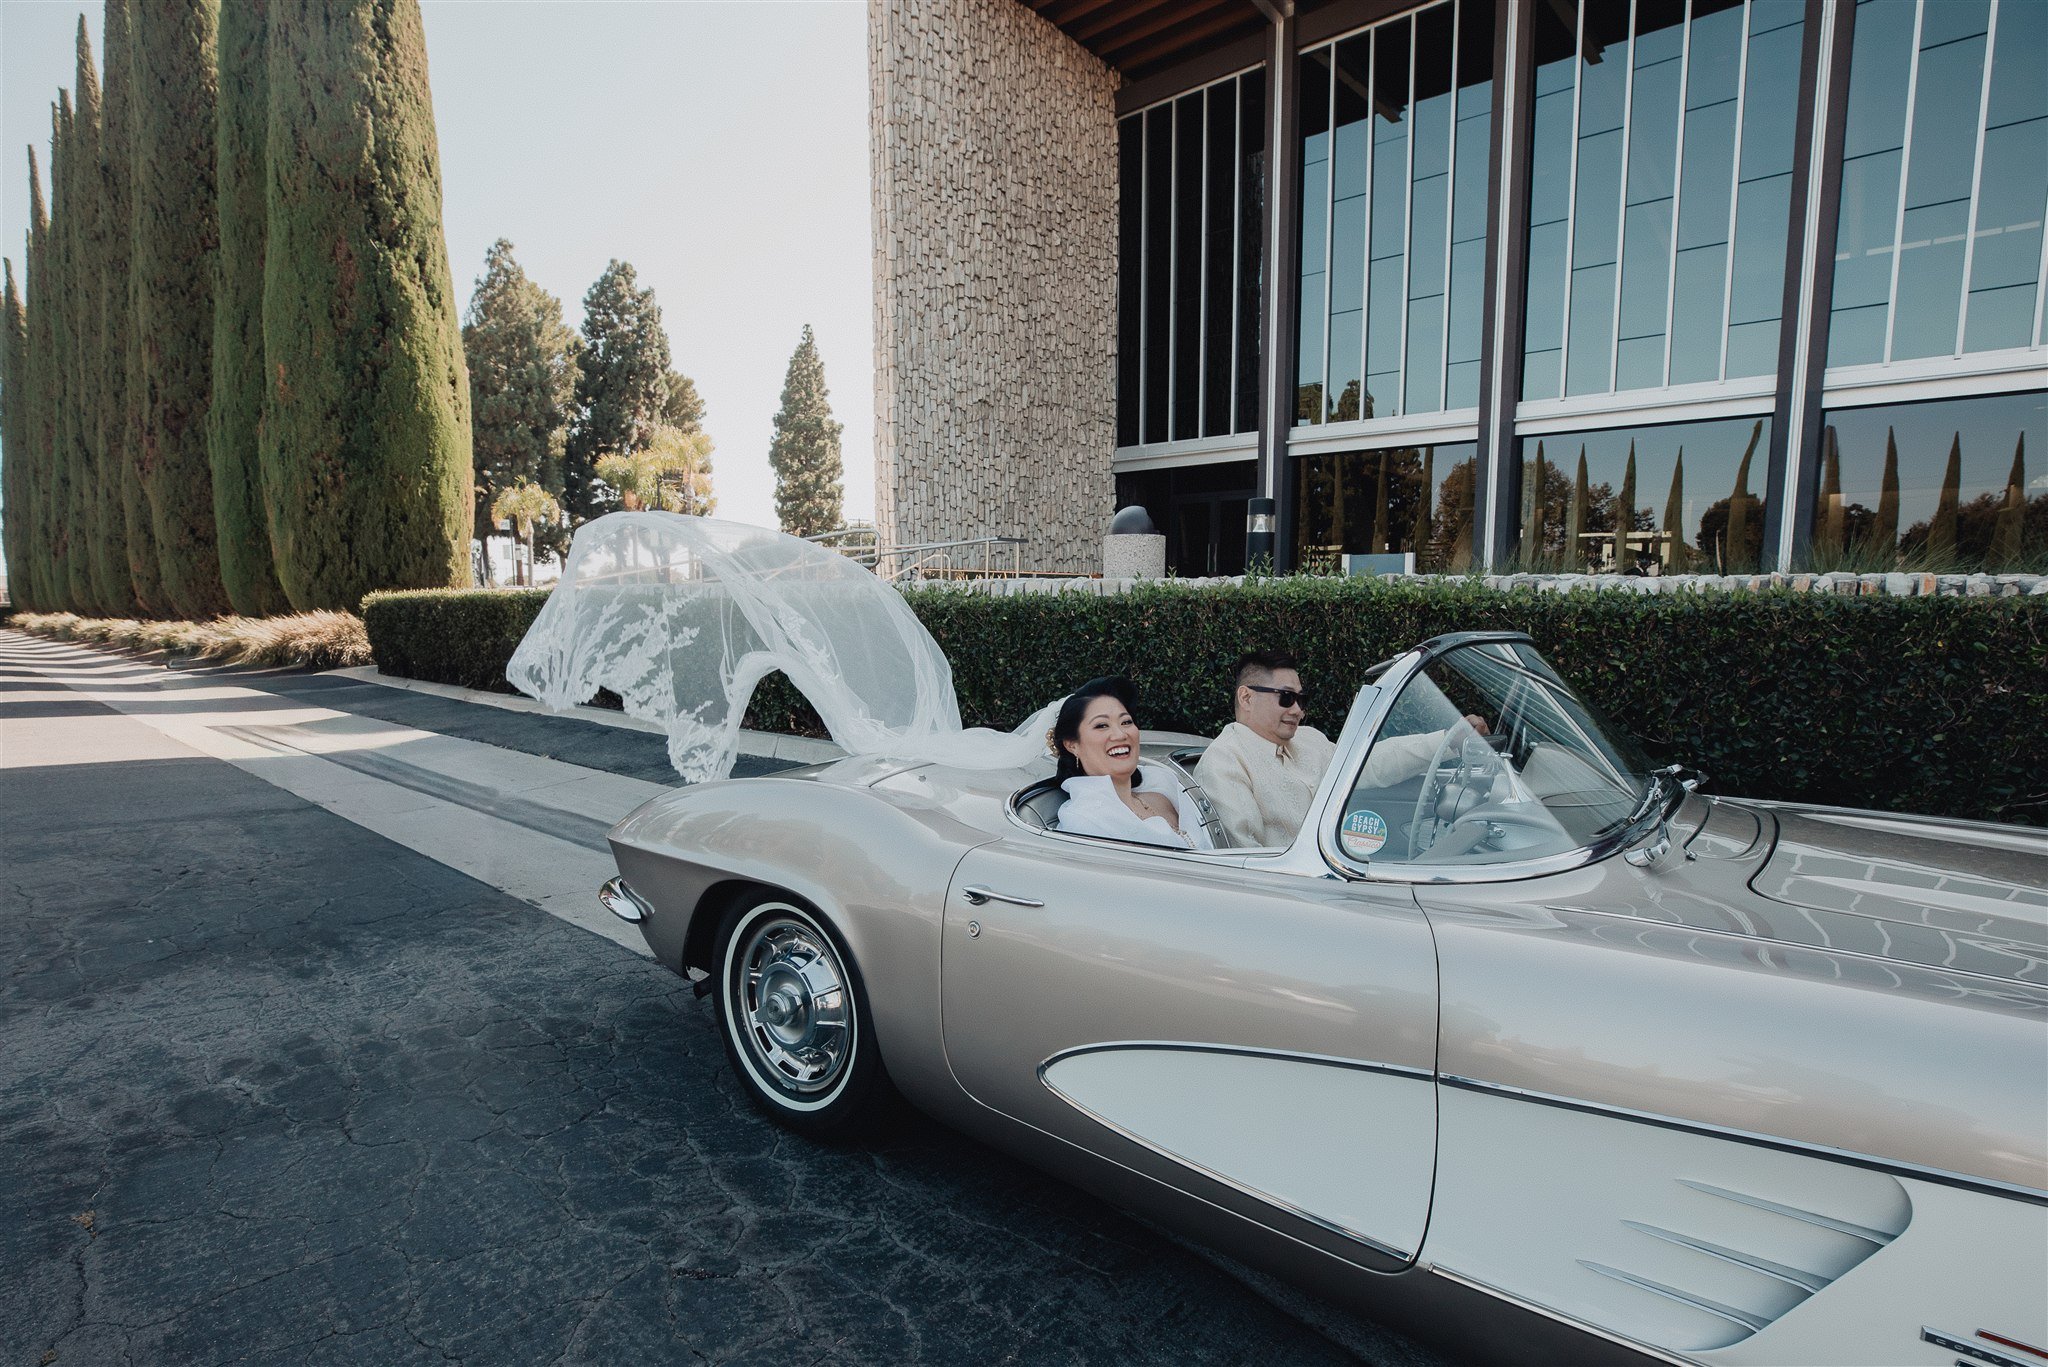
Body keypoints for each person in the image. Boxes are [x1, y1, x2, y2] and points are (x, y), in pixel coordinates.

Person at [1198, 651, 1488, 848]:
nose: (1298, 710)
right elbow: (1245, 857)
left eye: (1302, 699)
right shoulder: (1225, 761)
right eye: (1286, 698)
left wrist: (1448, 740)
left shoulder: (1309, 740)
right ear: (1246, 698)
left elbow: (1368, 764)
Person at [1049, 677, 1214, 850]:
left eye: (1126, 722)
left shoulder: (1164, 786)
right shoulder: (1085, 821)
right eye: (1102, 725)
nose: (1120, 734)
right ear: (1072, 745)